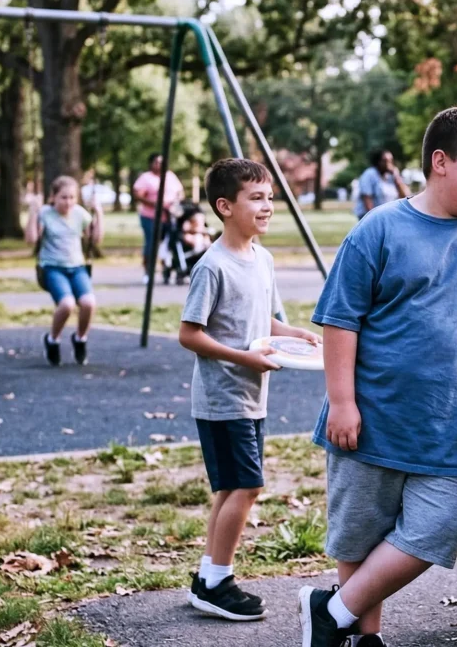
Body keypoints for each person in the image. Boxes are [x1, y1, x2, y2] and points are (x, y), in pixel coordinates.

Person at [299, 108, 457, 647]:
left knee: (434, 531)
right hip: (372, 418)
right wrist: (341, 402)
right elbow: (340, 320)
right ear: (441, 162)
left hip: (451, 427)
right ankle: (364, 635)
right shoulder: (379, 228)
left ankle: (331, 612)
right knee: (360, 533)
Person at [178, 158, 321, 620]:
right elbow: (190, 334)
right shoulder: (212, 266)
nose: (267, 206)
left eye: (270, 198)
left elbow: (266, 321)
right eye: (256, 198)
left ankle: (208, 578)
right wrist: (246, 358)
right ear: (225, 207)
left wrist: (295, 335)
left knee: (230, 488)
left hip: (252, 396)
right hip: (222, 398)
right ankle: (218, 582)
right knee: (248, 485)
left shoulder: (263, 259)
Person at [26, 176, 102, 366]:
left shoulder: (80, 213)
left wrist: (99, 213)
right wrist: (33, 213)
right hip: (53, 268)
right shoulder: (45, 213)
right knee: (67, 304)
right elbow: (31, 240)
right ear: (53, 197)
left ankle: (80, 339)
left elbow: (96, 240)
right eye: (63, 197)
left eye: (72, 197)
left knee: (89, 303)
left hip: (77, 267)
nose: (68, 202)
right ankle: (53, 340)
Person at [133, 153, 184, 284]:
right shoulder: (146, 178)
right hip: (150, 217)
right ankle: (148, 272)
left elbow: (180, 192)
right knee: (151, 244)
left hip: (169, 216)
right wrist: (155, 204)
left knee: (170, 243)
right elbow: (138, 195)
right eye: (156, 162)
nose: (159, 165)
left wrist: (175, 202)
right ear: (151, 164)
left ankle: (167, 269)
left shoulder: (170, 176)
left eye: (161, 162)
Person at [353, 149, 408, 220]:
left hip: (385, 215)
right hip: (369, 217)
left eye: (390, 161)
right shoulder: (369, 174)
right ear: (378, 161)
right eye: (385, 161)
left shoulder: (392, 176)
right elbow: (367, 200)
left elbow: (405, 197)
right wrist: (375, 219)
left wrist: (397, 177)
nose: (388, 164)